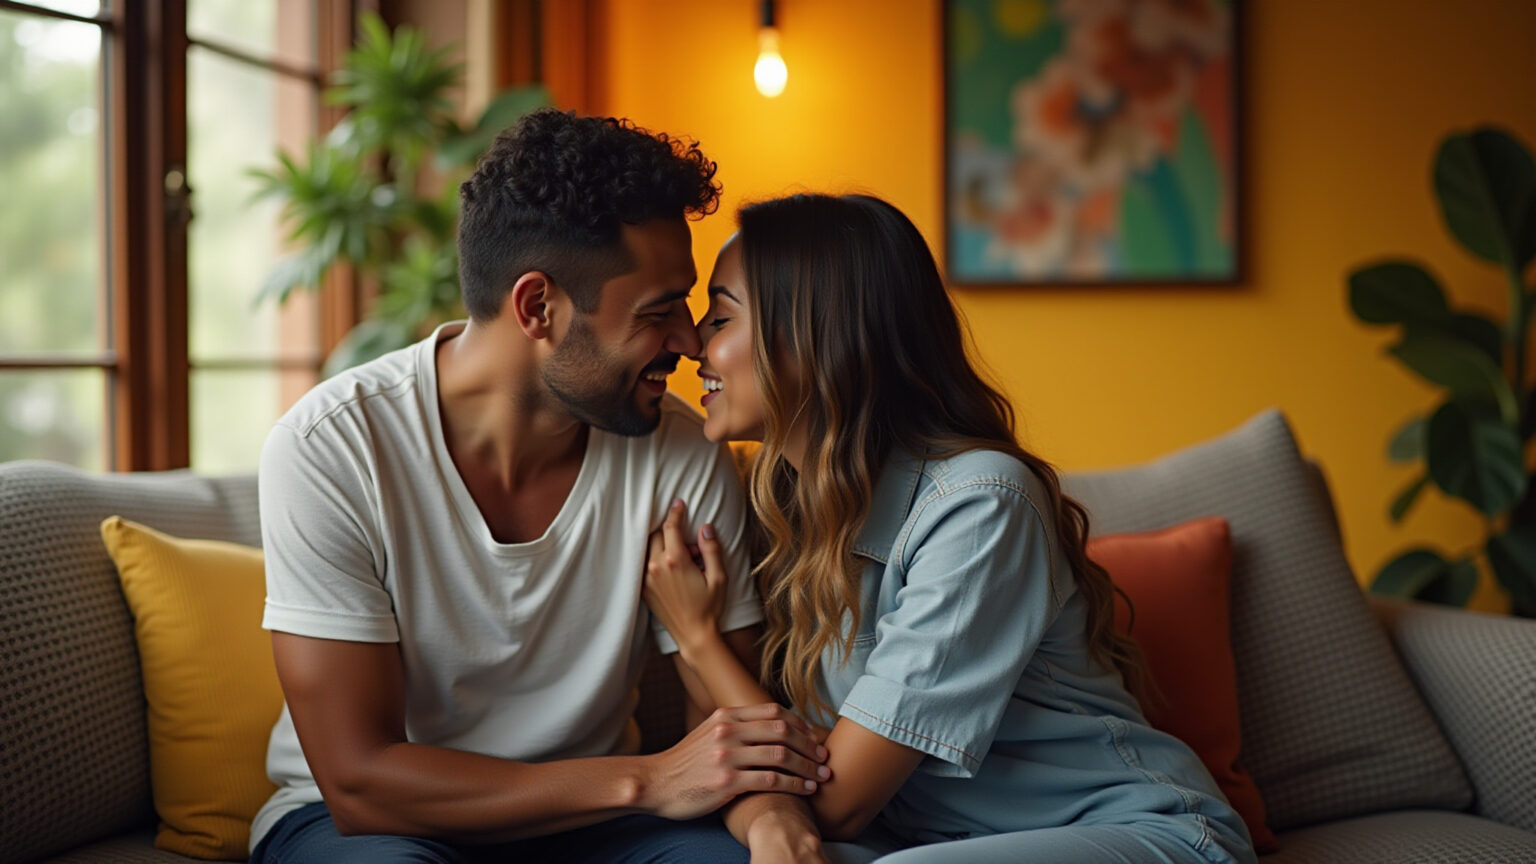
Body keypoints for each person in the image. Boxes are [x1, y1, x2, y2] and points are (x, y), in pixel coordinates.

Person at [248, 110, 831, 864]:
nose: (691, 343)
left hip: (594, 828)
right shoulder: (332, 448)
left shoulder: (680, 451)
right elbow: (361, 783)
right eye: (658, 313)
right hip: (378, 825)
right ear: (537, 308)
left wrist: (773, 829)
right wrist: (646, 781)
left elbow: (724, 736)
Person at [643, 193, 1260, 864]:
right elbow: (724, 757)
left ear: (817, 337)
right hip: (932, 847)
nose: (694, 342)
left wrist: (698, 637)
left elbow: (837, 802)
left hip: (1148, 836)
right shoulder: (785, 510)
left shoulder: (982, 506)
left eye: (722, 315)